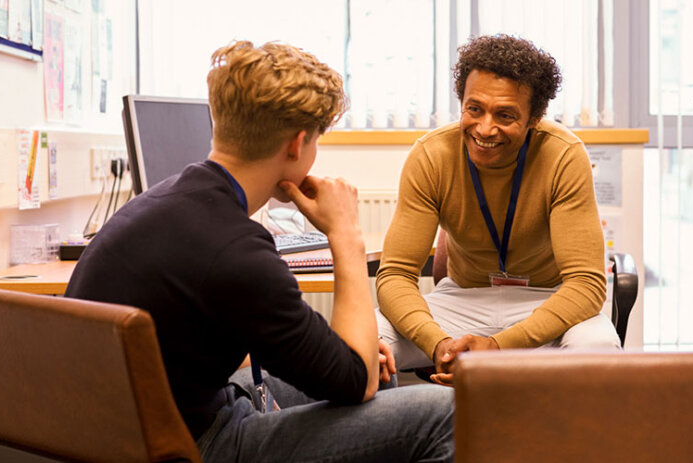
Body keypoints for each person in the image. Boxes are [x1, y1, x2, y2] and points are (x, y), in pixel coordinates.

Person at [66, 41, 453, 462]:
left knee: (381, 373)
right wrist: (346, 233)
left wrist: (349, 357)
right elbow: (354, 382)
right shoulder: (237, 252)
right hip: (195, 445)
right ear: (297, 144)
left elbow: (301, 344)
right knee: (448, 413)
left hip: (128, 430)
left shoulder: (161, 202)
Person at [375, 34, 621, 385]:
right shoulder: (431, 155)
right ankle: (401, 436)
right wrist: (440, 345)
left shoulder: (564, 155)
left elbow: (585, 285)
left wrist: (499, 346)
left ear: (534, 118)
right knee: (364, 340)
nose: (485, 128)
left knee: (598, 350)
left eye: (505, 115)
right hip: (462, 300)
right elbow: (395, 275)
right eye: (474, 109)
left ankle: (564, 442)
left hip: (546, 300)